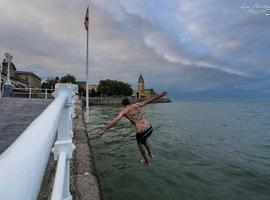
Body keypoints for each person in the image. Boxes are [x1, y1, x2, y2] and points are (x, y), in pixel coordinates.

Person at [96, 91, 167, 166]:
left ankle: (147, 162)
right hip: (149, 127)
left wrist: (103, 130)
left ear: (123, 105)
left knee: (140, 145)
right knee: (144, 141)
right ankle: (150, 154)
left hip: (142, 131)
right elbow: (149, 101)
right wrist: (159, 95)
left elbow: (115, 121)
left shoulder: (124, 111)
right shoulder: (136, 105)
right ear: (129, 103)